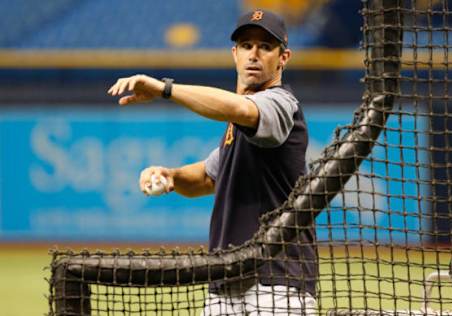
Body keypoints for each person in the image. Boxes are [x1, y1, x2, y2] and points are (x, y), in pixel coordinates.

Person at [108, 9, 317, 315]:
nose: (254, 54)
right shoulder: (237, 129)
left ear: (283, 57)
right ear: (235, 54)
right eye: (246, 45)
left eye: (265, 46)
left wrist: (165, 89)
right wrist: (172, 176)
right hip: (226, 281)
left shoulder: (282, 104)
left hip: (277, 283)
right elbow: (208, 176)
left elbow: (242, 110)